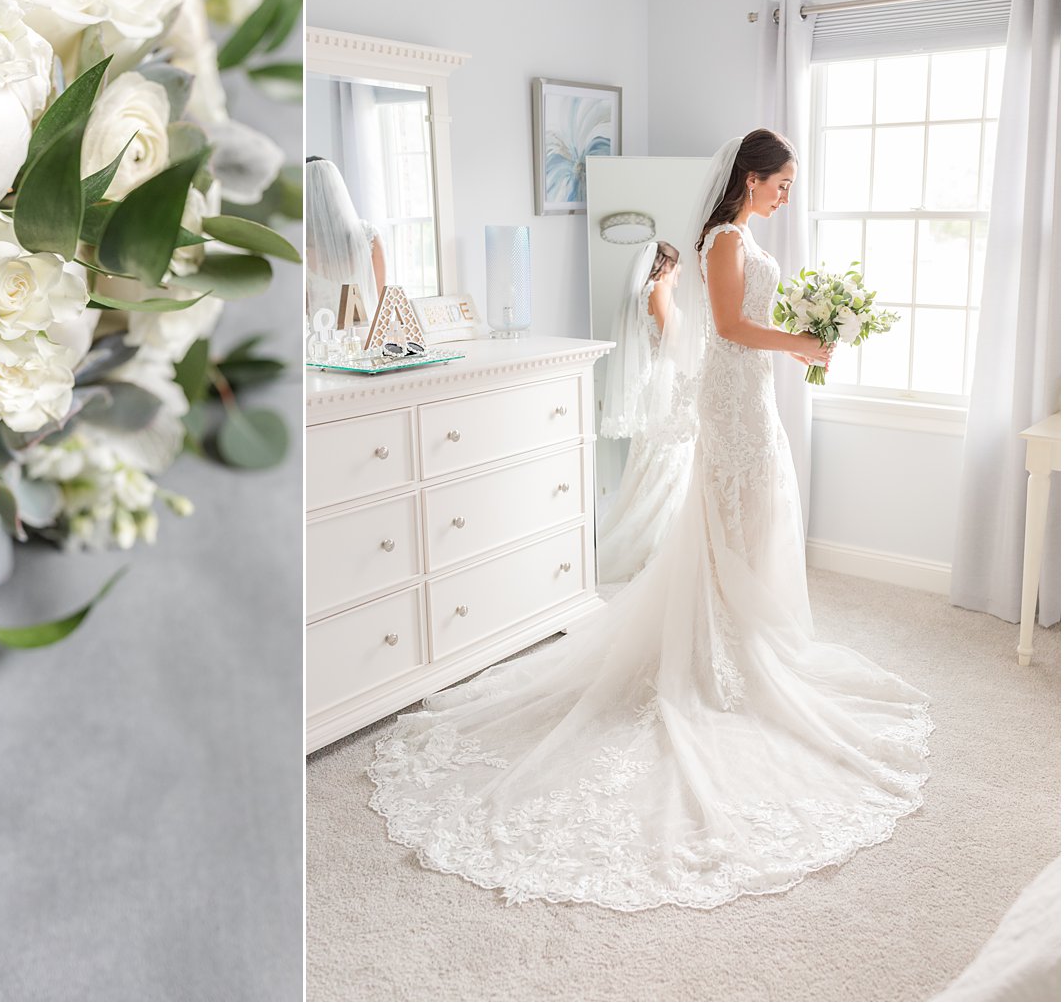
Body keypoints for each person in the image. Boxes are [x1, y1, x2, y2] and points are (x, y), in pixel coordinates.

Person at [368, 129, 932, 911]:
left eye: (791, 185)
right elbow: (731, 330)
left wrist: (803, 335)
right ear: (750, 176)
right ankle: (721, 655)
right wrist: (804, 341)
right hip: (736, 401)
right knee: (735, 514)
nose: (787, 194)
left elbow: (733, 328)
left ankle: (745, 641)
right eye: (783, 182)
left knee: (749, 517)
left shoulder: (740, 238)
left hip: (749, 398)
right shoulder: (728, 239)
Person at [596, 240, 693, 583]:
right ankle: (659, 542)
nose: (680, 273)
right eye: (676, 266)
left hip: (659, 380)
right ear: (664, 266)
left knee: (661, 456)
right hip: (665, 385)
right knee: (669, 456)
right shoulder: (657, 290)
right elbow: (674, 340)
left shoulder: (647, 292)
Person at [304, 156, 386, 324]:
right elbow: (381, 303)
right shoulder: (369, 236)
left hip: (319, 344)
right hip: (365, 340)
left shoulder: (300, 248)